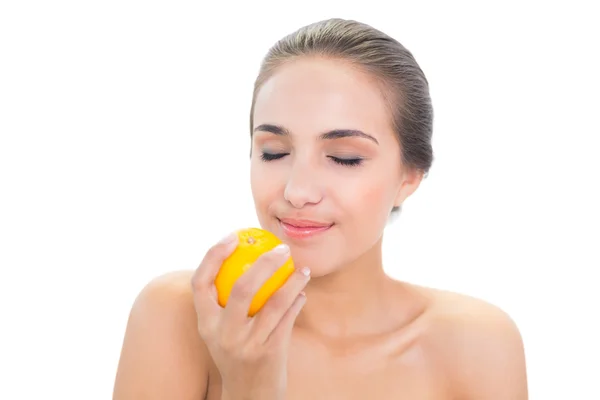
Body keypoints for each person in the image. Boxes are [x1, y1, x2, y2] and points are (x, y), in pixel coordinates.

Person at [112, 18, 528, 399]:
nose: (297, 191)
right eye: (274, 152)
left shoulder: (479, 344)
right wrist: (247, 384)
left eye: (345, 158)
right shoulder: (179, 317)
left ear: (409, 177)